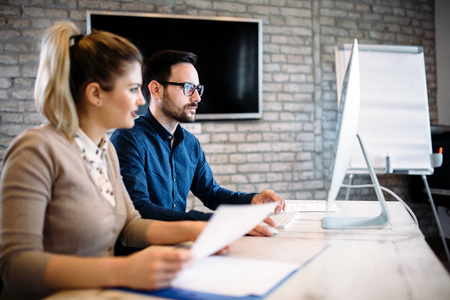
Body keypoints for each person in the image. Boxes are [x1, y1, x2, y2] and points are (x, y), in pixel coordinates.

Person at [0, 23, 209, 300]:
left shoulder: (104, 149)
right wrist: (123, 270)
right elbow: (16, 266)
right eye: (133, 89)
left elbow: (129, 225)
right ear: (96, 94)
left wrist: (199, 229)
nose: (141, 99)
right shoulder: (36, 150)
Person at [111, 50, 285, 237]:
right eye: (187, 88)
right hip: (141, 253)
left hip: (180, 244)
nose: (197, 98)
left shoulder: (190, 144)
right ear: (156, 89)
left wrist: (253, 200)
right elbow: (140, 210)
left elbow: (211, 193)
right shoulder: (128, 139)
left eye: (198, 89)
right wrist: (220, 223)